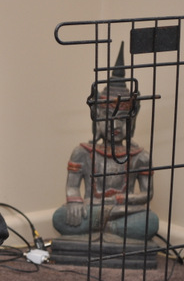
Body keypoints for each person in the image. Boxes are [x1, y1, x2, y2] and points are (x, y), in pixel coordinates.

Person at [53, 43, 158, 240]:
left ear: (131, 122)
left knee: (150, 221)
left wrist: (121, 200)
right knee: (60, 217)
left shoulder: (140, 157)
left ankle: (106, 228)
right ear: (97, 118)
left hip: (122, 209)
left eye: (122, 119)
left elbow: (147, 193)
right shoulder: (82, 153)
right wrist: (74, 202)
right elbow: (72, 186)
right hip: (92, 207)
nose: (115, 125)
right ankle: (110, 226)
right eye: (108, 118)